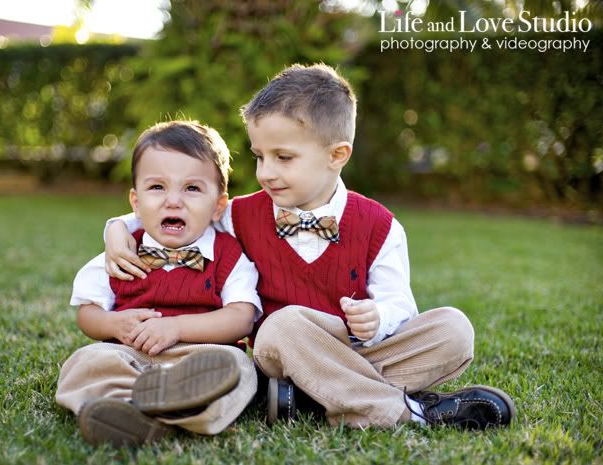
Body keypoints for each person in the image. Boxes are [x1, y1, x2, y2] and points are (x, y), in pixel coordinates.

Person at [103, 64, 516, 430]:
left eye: (283, 157)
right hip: (282, 349)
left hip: (355, 344)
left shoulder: (379, 226)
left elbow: (401, 304)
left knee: (454, 330)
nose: (266, 173)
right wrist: (118, 226)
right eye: (259, 156)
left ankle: (308, 399)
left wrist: (379, 315)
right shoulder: (242, 214)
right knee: (281, 323)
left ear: (337, 155)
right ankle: (403, 410)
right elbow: (180, 215)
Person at [56, 120, 262, 448]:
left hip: (200, 359)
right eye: (157, 187)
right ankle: (134, 408)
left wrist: (177, 328)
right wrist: (112, 323)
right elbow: (87, 313)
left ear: (218, 205)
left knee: (239, 370)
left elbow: (241, 317)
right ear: (135, 202)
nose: (173, 201)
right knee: (86, 362)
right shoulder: (122, 252)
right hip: (130, 354)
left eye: (192, 188)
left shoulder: (230, 255)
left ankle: (156, 415)